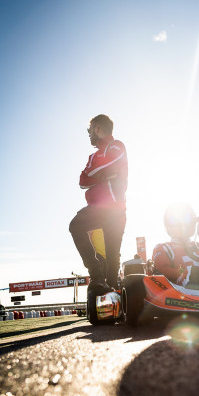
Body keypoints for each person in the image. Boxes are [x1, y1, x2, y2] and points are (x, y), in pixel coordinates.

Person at [69, 114, 128, 292]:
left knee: (112, 257)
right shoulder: (92, 156)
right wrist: (104, 176)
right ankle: (96, 274)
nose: (88, 134)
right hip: (96, 208)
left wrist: (94, 175)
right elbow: (81, 181)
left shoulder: (116, 146)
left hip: (115, 209)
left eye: (89, 130)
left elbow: (107, 166)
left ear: (97, 128)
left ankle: (112, 290)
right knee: (75, 226)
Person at [152, 203, 199, 287]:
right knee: (193, 272)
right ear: (168, 224)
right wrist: (184, 272)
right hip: (183, 291)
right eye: (175, 220)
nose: (182, 224)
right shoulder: (165, 248)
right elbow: (163, 270)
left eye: (186, 219)